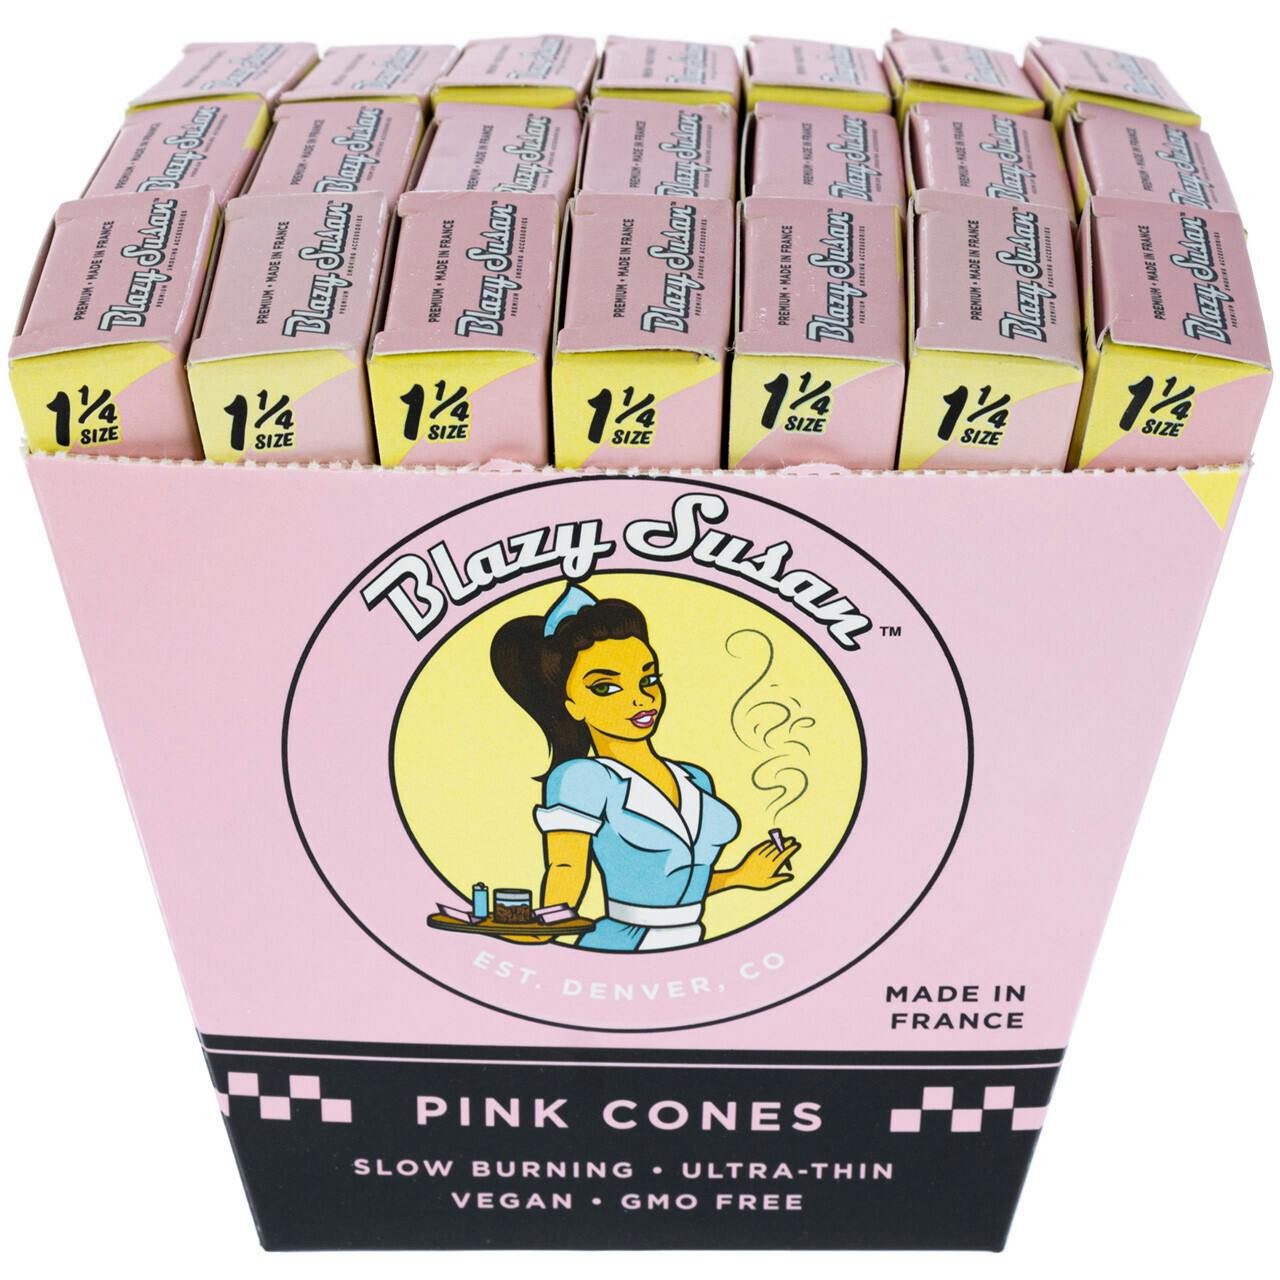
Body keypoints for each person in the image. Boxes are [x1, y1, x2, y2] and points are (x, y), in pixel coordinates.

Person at [489, 582, 799, 951]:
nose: (641, 699)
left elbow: (673, 881)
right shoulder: (582, 778)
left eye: (648, 679)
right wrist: (540, 928)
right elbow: (566, 869)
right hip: (623, 945)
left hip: (692, 941)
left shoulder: (695, 778)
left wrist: (739, 877)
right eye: (606, 687)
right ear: (572, 705)